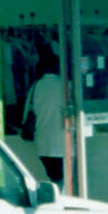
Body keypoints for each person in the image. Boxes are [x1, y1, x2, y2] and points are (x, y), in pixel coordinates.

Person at [24, 49, 68, 184]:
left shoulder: (36, 86)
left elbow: (27, 113)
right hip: (64, 141)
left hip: (43, 142)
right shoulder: (66, 86)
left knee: (54, 178)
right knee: (66, 179)